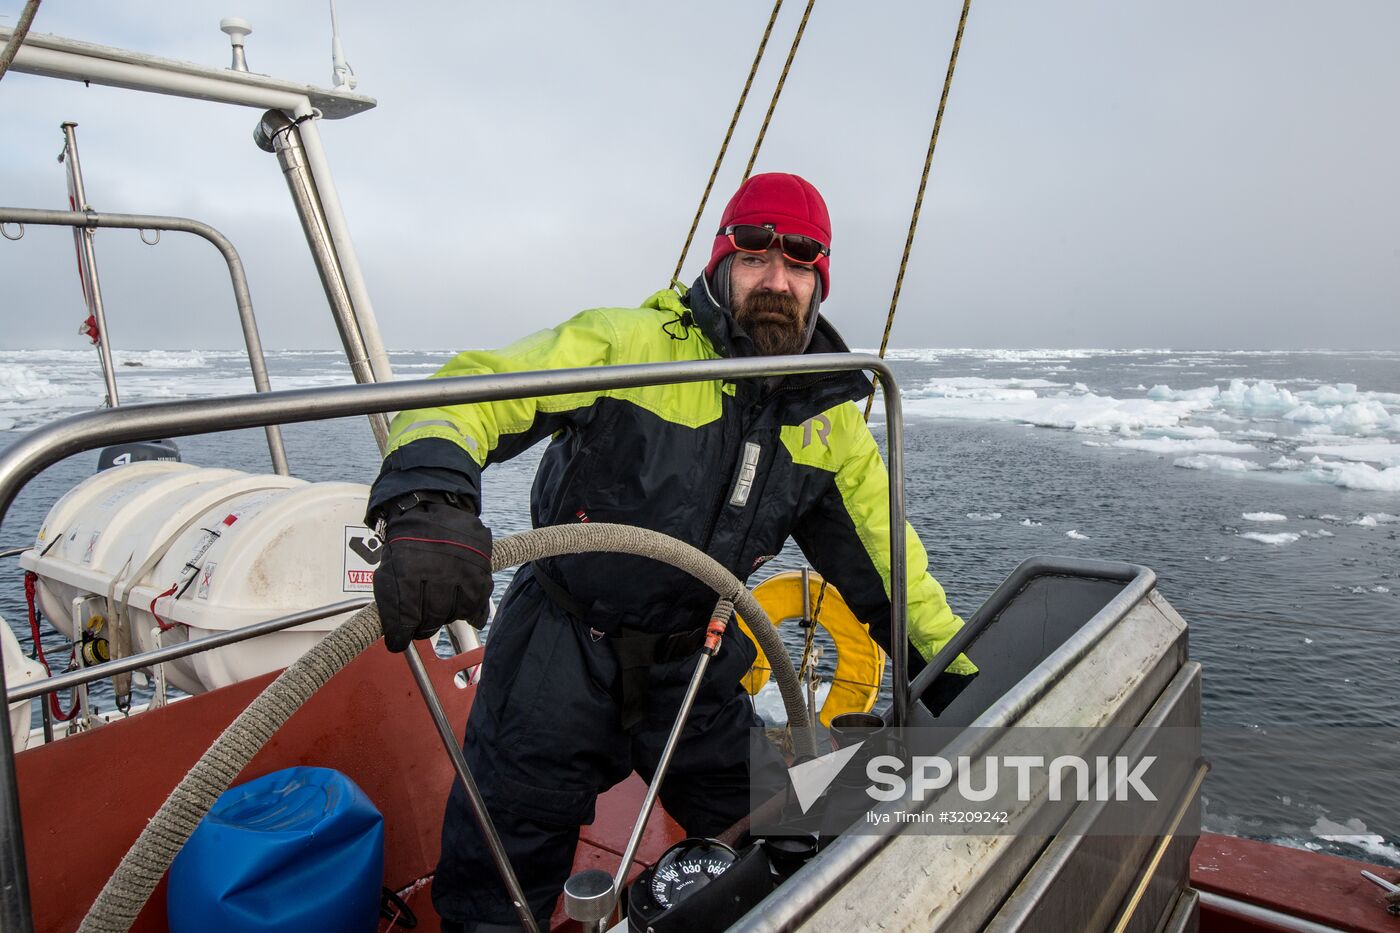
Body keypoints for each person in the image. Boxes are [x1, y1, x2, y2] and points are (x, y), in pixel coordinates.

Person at [366, 172, 976, 931]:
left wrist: (961, 677)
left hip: (696, 664)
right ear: (721, 263)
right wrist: (430, 502)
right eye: (754, 257)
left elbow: (891, 565)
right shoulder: (629, 346)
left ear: (820, 284)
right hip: (558, 651)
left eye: (798, 265)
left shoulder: (827, 420)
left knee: (776, 837)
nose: (775, 282)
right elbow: (471, 394)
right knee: (498, 877)